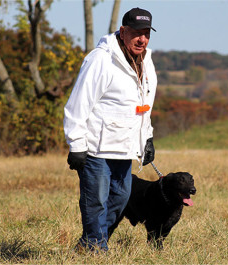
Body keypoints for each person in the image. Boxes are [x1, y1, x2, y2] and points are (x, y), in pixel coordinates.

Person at [63, 7, 157, 252]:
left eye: (146, 33)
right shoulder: (101, 59)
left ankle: (88, 244)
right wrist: (77, 146)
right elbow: (78, 104)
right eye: (136, 32)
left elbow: (144, 104)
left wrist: (147, 138)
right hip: (96, 147)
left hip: (124, 148)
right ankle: (95, 248)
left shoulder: (146, 61)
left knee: (120, 199)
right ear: (123, 31)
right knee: (96, 202)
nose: (142, 39)